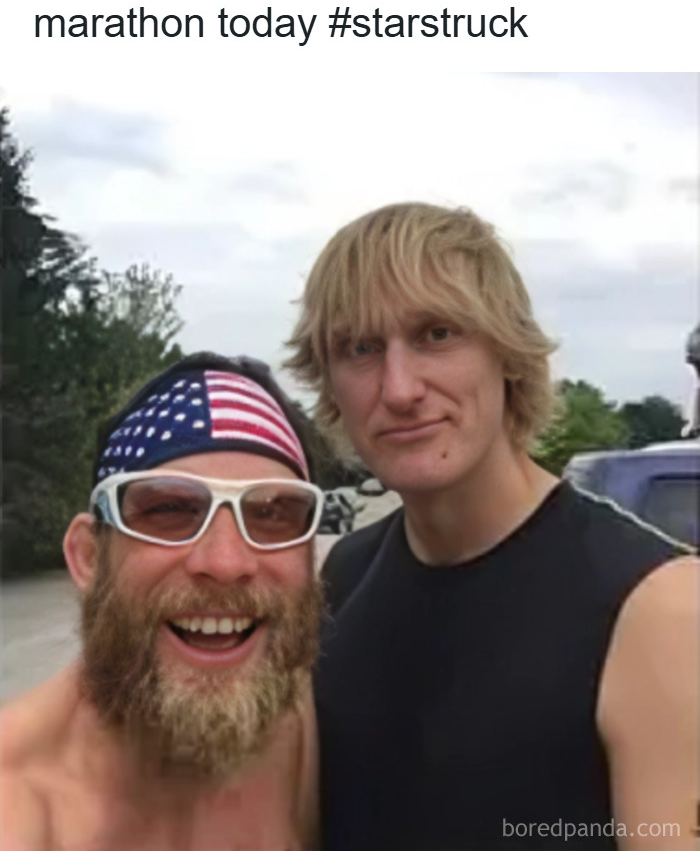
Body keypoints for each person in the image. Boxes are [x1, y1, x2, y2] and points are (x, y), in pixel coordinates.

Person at [285, 203, 699, 851]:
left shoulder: (656, 607)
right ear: (331, 382)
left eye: (437, 334)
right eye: (360, 348)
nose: (399, 388)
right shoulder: (342, 577)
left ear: (507, 355)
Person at [1, 352, 325, 851]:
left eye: (272, 514)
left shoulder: (299, 717)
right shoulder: (19, 807)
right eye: (169, 510)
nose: (225, 561)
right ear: (88, 556)